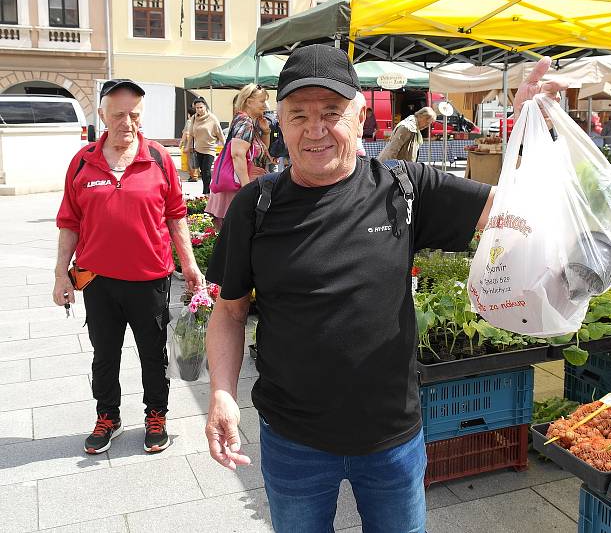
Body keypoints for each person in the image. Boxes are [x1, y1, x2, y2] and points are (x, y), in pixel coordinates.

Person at [202, 44, 562, 532]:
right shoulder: (255, 206)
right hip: (294, 440)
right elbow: (228, 313)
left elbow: (513, 213)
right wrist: (222, 392)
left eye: (331, 113)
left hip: (392, 438)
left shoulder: (401, 188)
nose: (315, 129)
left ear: (359, 117)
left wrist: (529, 131)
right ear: (279, 124)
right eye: (298, 114)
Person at [52, 79, 203, 455]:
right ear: (101, 115)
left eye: (134, 114)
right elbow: (69, 221)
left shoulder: (158, 158)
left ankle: (156, 415)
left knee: (153, 353)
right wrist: (60, 275)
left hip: (149, 278)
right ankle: (108, 417)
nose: (127, 122)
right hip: (97, 280)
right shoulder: (83, 161)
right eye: (118, 114)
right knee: (105, 354)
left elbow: (176, 216)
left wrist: (191, 266)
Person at [205, 83, 269, 230]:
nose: (265, 105)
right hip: (238, 186)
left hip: (240, 185)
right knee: (237, 234)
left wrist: (265, 132)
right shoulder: (245, 122)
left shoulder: (250, 122)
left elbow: (265, 153)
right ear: (249, 101)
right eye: (261, 101)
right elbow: (238, 155)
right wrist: (246, 189)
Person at [187, 97, 224, 195]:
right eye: (197, 108)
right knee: (202, 172)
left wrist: (226, 147)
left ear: (205, 107)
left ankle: (207, 192)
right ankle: (206, 190)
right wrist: (188, 146)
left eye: (201, 107)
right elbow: (190, 133)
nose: (199, 110)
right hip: (198, 149)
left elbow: (220, 134)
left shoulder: (212, 118)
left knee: (206, 170)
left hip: (210, 149)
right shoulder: (194, 118)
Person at [179, 106, 197, 181]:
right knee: (194, 160)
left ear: (189, 114)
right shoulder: (197, 121)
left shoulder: (189, 122)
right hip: (197, 144)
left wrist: (181, 143)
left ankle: (193, 176)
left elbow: (186, 133)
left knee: (190, 161)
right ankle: (195, 175)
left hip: (189, 145)